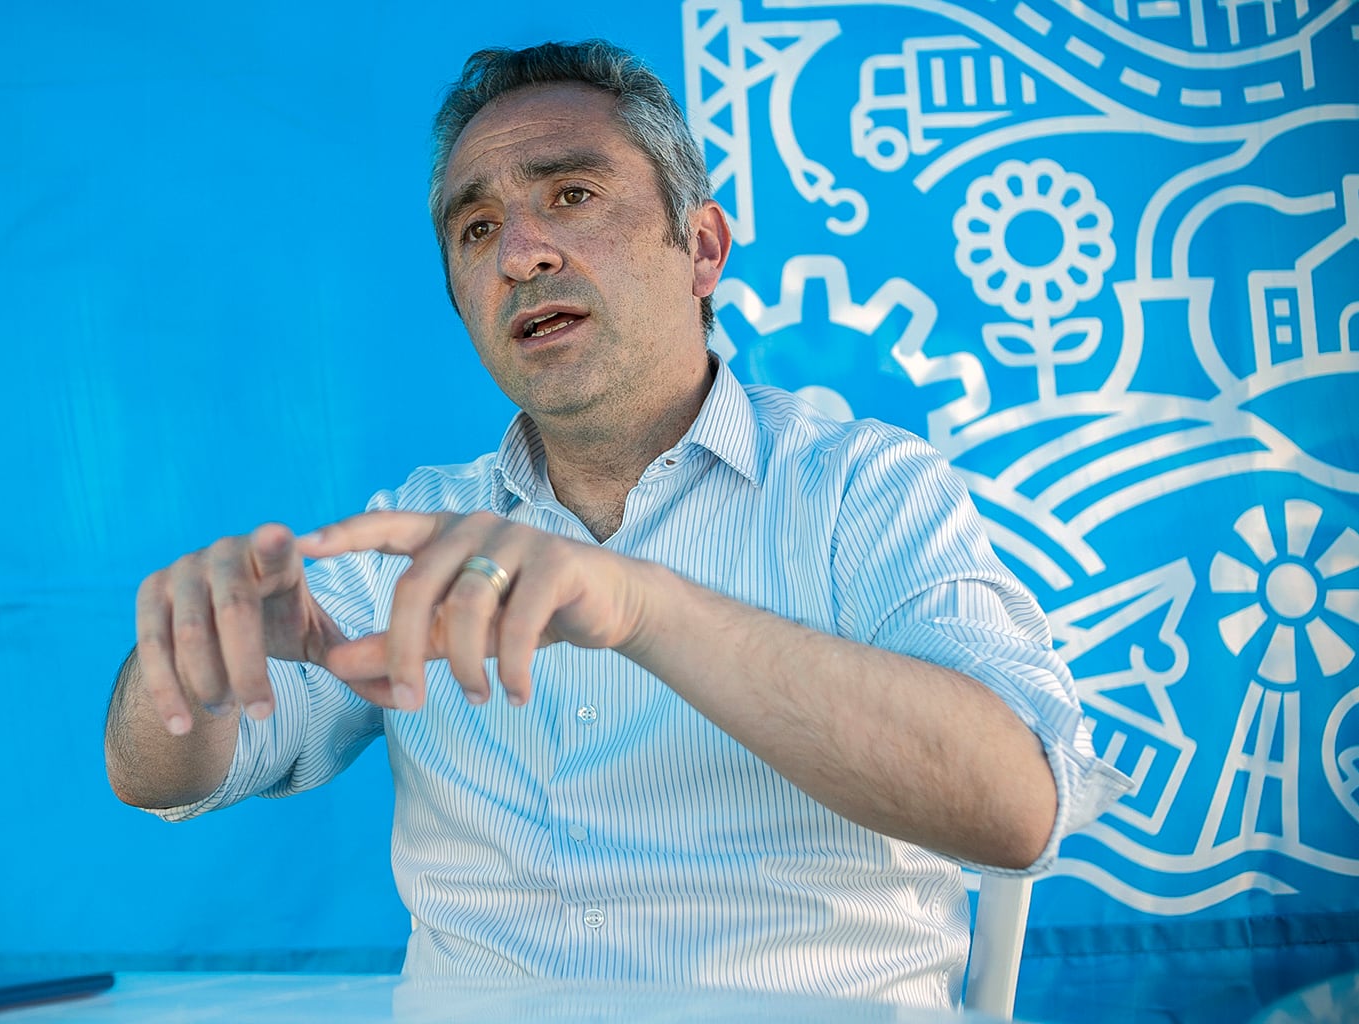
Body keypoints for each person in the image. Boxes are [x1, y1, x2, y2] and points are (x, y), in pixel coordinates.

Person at [104, 39, 1130, 1010]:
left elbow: (1018, 809)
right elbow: (156, 777)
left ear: (701, 247)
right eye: (475, 229)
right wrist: (184, 660)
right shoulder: (414, 530)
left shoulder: (863, 489)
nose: (520, 253)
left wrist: (641, 607)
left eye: (572, 195)